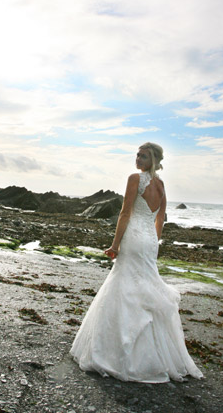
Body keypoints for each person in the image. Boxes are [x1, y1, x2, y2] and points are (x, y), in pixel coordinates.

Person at [70, 142, 203, 383]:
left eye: (143, 156)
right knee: (144, 287)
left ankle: (119, 352)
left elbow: (125, 213)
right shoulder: (161, 186)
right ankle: (152, 354)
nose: (138, 159)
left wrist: (114, 245)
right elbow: (161, 216)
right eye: (137, 155)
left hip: (133, 237)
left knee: (124, 285)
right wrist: (154, 238)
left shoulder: (135, 179)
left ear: (153, 160)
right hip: (150, 241)